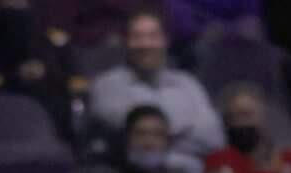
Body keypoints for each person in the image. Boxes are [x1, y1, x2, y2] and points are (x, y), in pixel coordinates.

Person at [87, 10, 224, 160]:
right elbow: (135, 139)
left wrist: (161, 137)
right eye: (137, 37)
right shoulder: (107, 85)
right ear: (126, 42)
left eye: (153, 36)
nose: (145, 44)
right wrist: (183, 131)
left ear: (165, 41)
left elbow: (213, 139)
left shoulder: (188, 84)